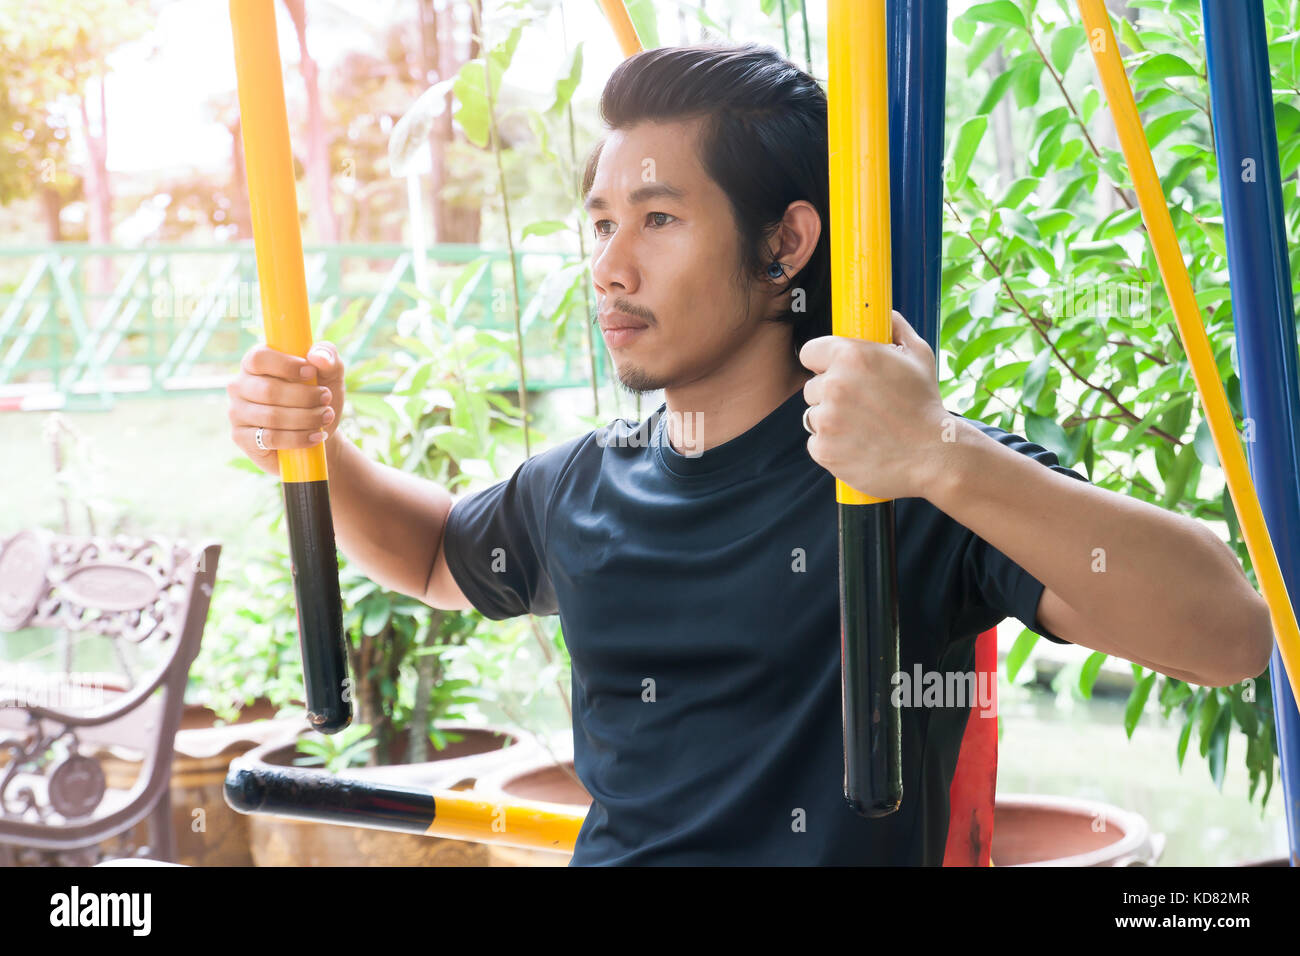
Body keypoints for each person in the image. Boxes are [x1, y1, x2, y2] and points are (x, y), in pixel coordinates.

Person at [226, 42, 1273, 865]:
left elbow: (1227, 632)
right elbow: (430, 558)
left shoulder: (901, 480)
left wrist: (944, 453)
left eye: (658, 218)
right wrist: (316, 443)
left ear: (785, 243)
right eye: (598, 225)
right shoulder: (587, 480)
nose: (610, 267)